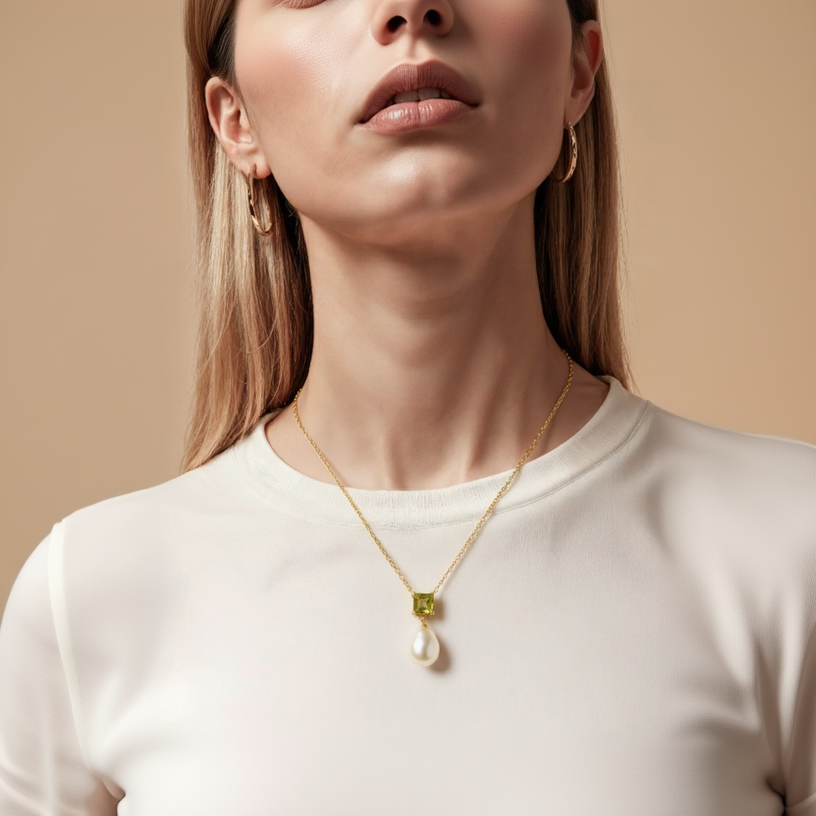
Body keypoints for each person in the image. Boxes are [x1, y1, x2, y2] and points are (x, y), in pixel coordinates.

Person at [1, 0, 814, 813]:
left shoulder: (790, 544)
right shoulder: (88, 598)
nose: (409, 7)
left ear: (577, 70)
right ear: (235, 119)